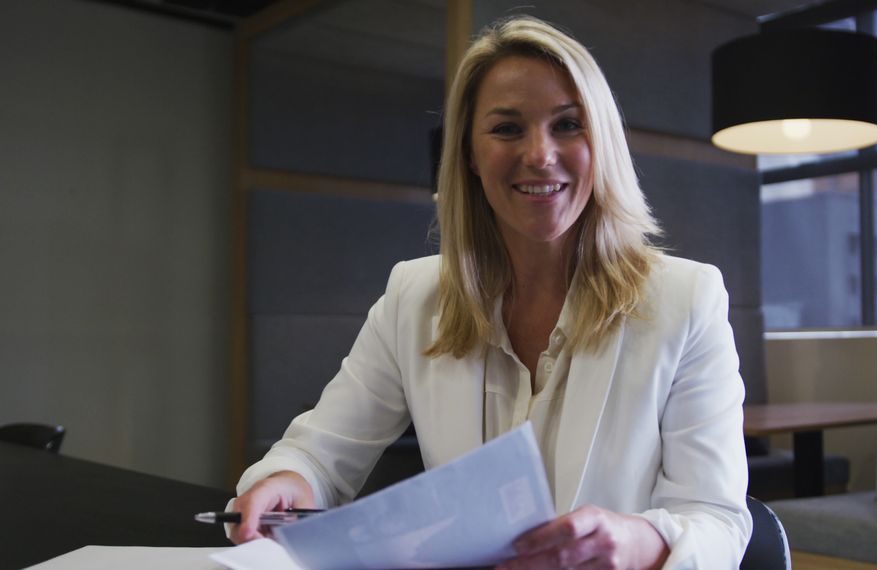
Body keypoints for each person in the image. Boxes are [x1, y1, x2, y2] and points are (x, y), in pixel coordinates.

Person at [229, 16, 751, 569]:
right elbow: (319, 453)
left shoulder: (688, 298)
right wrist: (290, 480)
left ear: (602, 144)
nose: (540, 154)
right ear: (470, 157)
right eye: (507, 129)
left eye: (568, 125)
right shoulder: (414, 295)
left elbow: (717, 520)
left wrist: (634, 544)